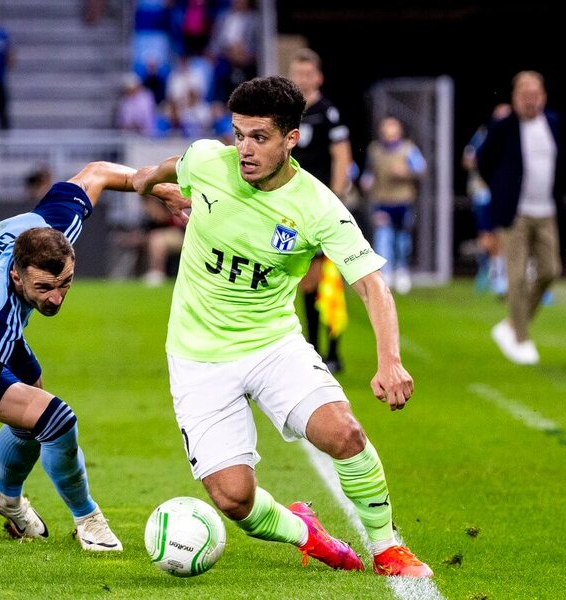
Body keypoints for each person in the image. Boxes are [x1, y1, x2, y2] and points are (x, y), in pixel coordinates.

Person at [132, 76, 432, 578]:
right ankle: (305, 533)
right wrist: (148, 185)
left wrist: (390, 361)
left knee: (345, 434)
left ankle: (386, 549)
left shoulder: (316, 207)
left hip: (272, 344)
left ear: (291, 139)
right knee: (233, 498)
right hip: (197, 355)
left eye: (259, 137)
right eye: (238, 134)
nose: (243, 150)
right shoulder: (208, 161)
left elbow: (372, 286)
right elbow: (161, 170)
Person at [0, 161, 189, 558]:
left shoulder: (52, 229)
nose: (56, 298)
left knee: (34, 397)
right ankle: (87, 519)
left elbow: (97, 173)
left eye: (65, 283)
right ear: (18, 278)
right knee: (54, 417)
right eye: (45, 288)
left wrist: (154, 187)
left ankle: (5, 495)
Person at [477, 71, 562, 365]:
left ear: (543, 96)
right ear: (515, 98)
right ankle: (520, 339)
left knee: (550, 270)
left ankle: (512, 324)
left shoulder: (552, 122)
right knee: (516, 275)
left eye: (535, 94)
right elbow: (483, 161)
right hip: (515, 213)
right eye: (524, 94)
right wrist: (502, 191)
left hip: (545, 211)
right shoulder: (504, 127)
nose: (530, 99)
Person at [289, 48, 353, 373]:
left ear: (318, 77)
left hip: (323, 207)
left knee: (330, 280)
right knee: (307, 281)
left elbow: (342, 157)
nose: (301, 80)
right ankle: (313, 349)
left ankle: (334, 351)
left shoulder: (329, 113)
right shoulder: (285, 114)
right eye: (296, 74)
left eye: (306, 74)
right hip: (293, 209)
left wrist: (337, 199)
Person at [359, 116, 427, 295]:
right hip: (382, 200)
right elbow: (369, 171)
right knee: (383, 237)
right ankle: (386, 272)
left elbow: (421, 168)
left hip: (403, 200)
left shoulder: (408, 149)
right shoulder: (375, 150)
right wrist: (367, 181)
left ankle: (401, 270)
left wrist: (405, 172)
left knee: (402, 240)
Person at [462, 103, 512, 296]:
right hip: (483, 191)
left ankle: (502, 273)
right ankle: (491, 271)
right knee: (486, 235)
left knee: (505, 233)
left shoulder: (515, 135)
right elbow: (468, 159)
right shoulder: (484, 134)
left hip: (505, 193)